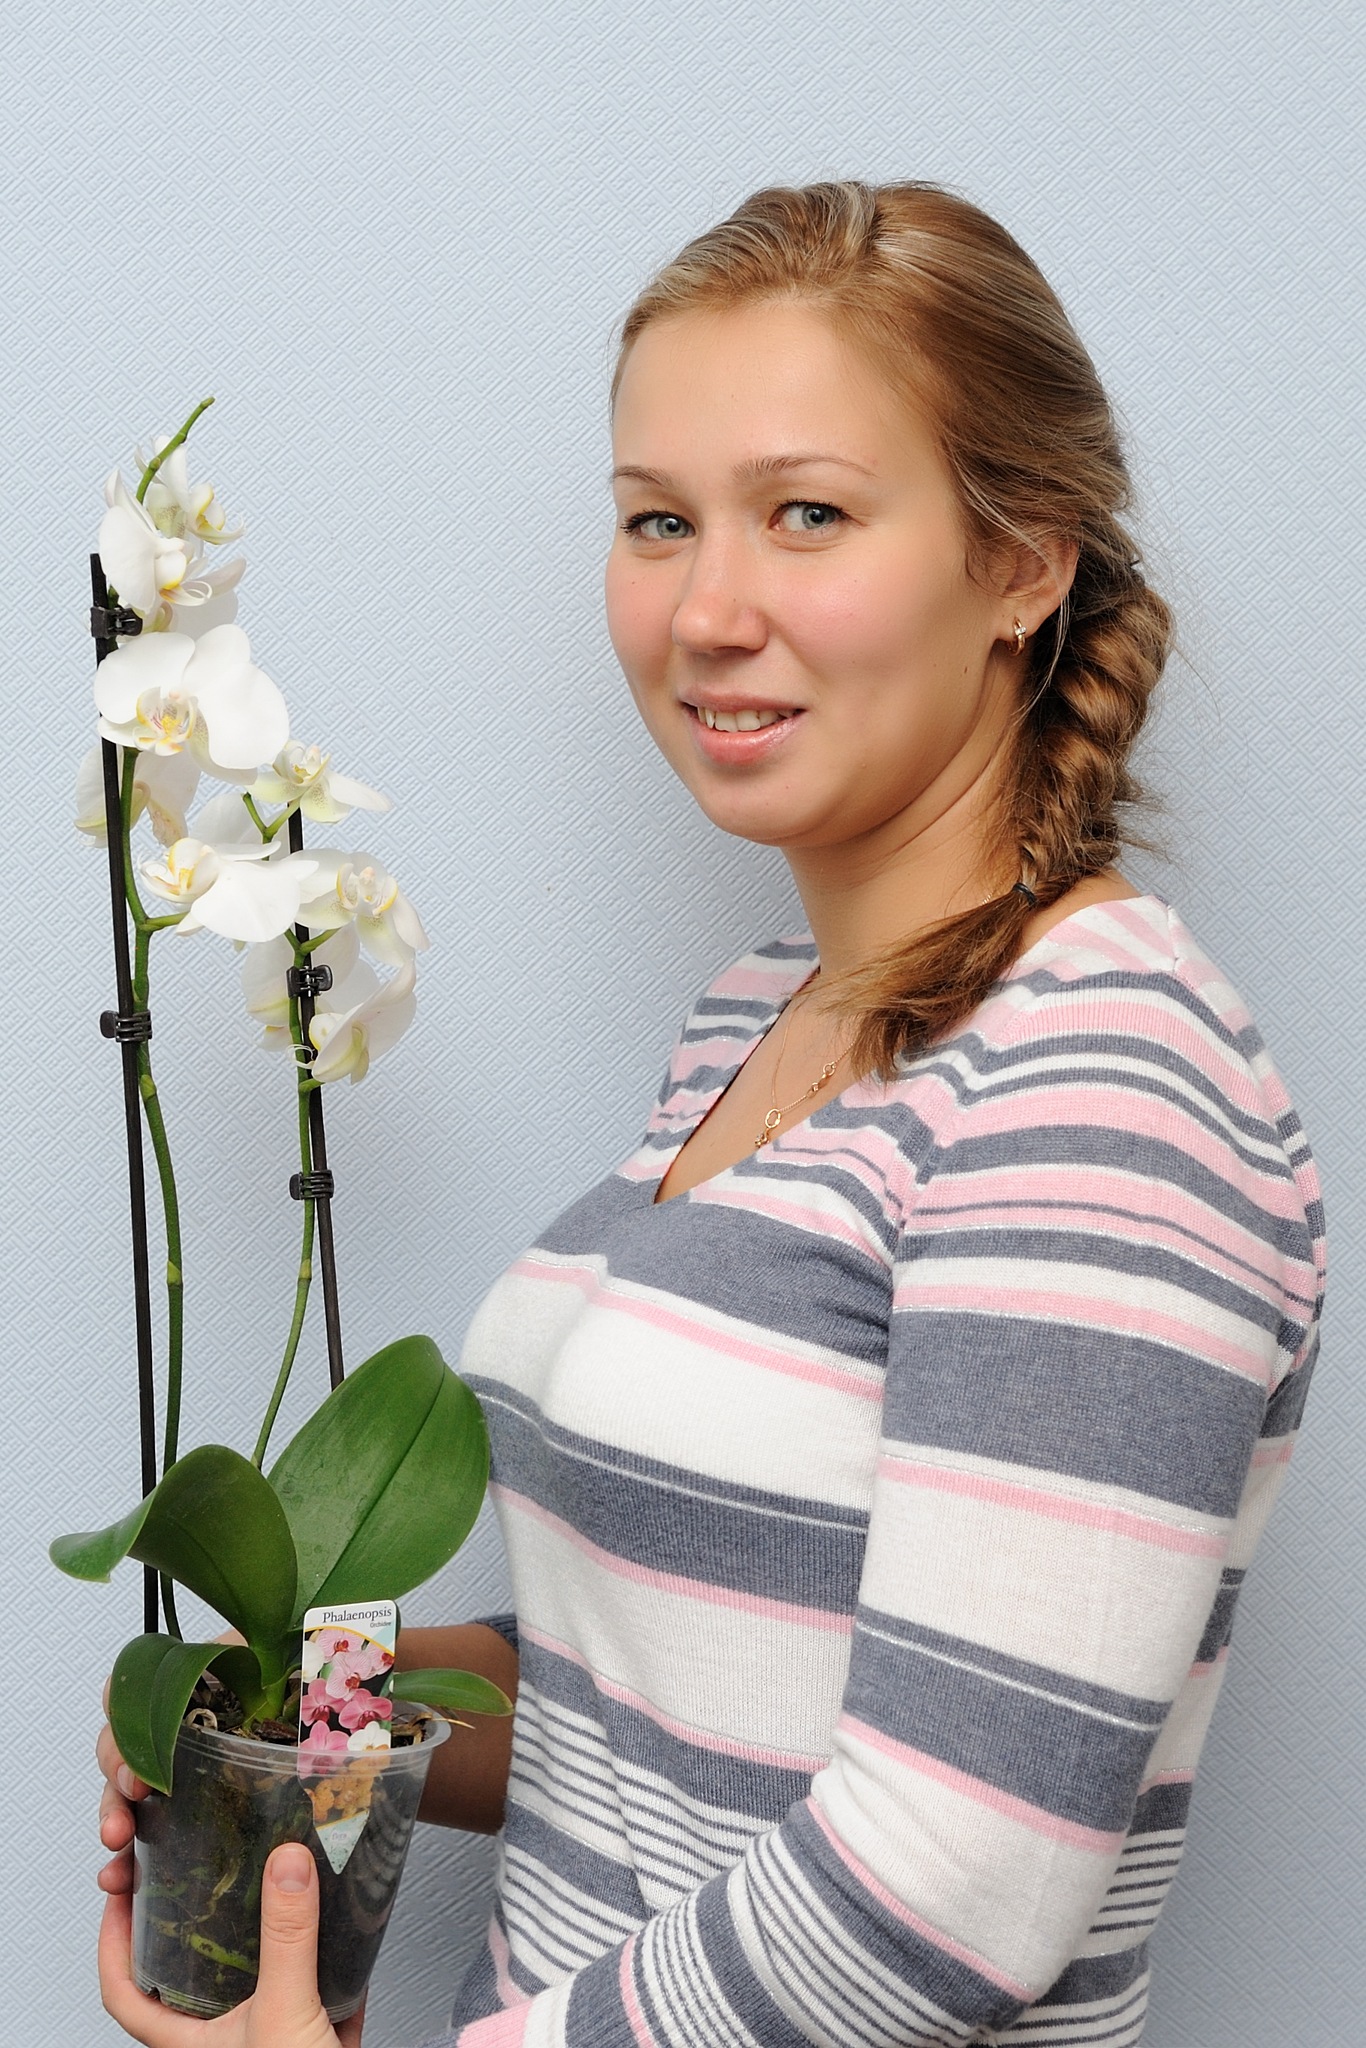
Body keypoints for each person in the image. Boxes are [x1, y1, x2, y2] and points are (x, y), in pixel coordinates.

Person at [96, 179, 1325, 2048]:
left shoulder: (1105, 1084)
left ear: (1022, 564)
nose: (705, 611)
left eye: (806, 513)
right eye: (656, 521)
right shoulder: (767, 1017)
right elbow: (651, 1693)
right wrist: (283, 1713)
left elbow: (947, 1889)